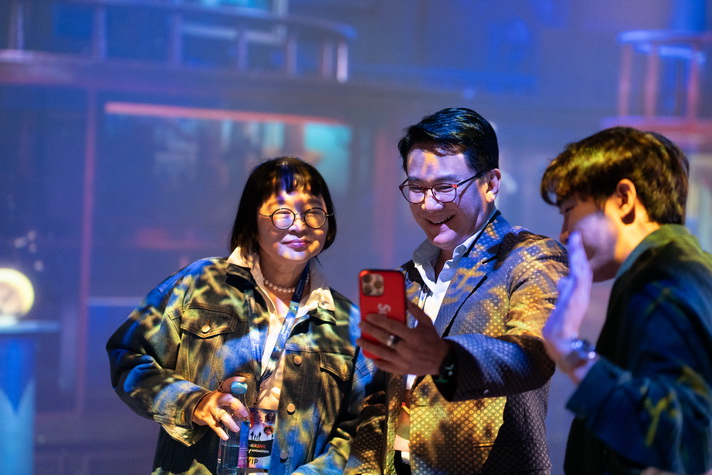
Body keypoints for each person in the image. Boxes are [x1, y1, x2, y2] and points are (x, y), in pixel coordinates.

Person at [107, 157, 371, 474]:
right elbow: (128, 356)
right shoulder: (200, 283)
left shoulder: (346, 322)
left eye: (313, 212)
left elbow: (359, 427)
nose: (299, 225)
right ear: (251, 220)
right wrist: (192, 403)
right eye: (283, 212)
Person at [345, 107, 569, 474]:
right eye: (416, 188)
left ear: (491, 184)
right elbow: (378, 400)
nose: (428, 204)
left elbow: (533, 355)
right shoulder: (406, 278)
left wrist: (444, 358)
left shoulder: (529, 257)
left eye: (445, 187)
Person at [539, 126, 712, 474]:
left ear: (623, 198)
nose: (563, 234)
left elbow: (685, 437)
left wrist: (569, 347)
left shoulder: (663, 277)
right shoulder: (674, 266)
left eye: (570, 209)